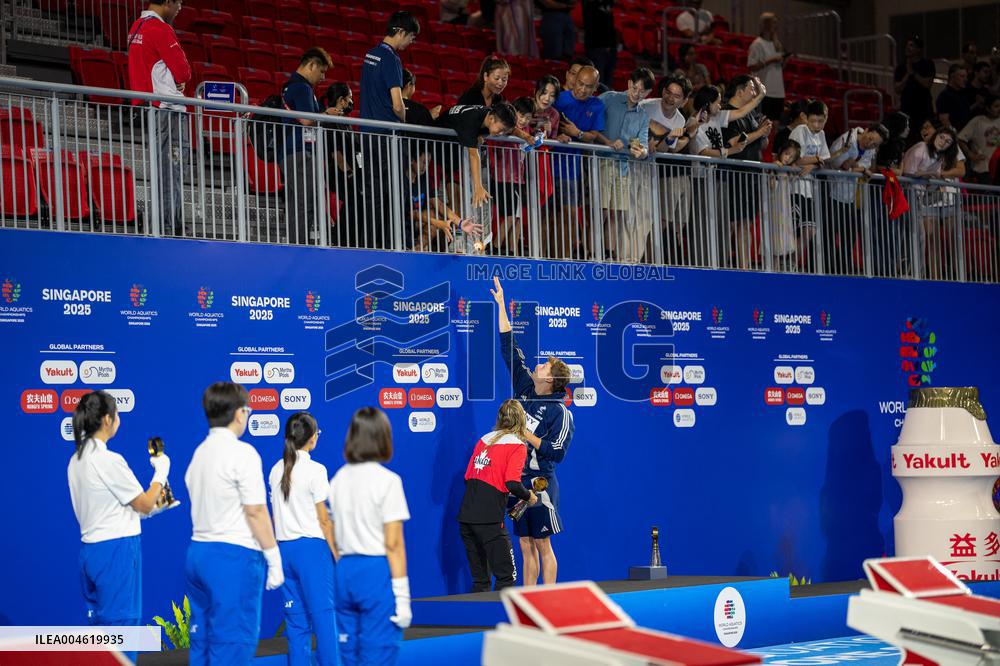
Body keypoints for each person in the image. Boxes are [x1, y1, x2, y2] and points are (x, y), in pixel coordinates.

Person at [68, 390, 172, 665]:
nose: (119, 419)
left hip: (92, 554)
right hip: (117, 555)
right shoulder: (108, 460)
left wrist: (158, 504)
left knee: (102, 640)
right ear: (106, 419)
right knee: (122, 634)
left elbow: (119, 509)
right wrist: (161, 471)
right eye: (117, 414)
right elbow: (145, 504)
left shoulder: (76, 460)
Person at [185, 382, 284, 665]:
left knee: (202, 644)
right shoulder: (243, 453)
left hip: (198, 556)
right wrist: (274, 557)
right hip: (232, 558)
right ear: (239, 413)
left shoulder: (199, 454)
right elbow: (255, 511)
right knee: (232, 647)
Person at [491, 277, 575, 586]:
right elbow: (508, 348)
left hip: (541, 486)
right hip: (517, 484)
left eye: (545, 368)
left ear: (552, 381)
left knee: (542, 545)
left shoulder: (560, 412)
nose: (539, 366)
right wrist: (501, 304)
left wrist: (524, 432)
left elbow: (557, 452)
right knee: (524, 544)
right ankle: (529, 600)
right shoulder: (526, 387)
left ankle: (548, 601)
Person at [329, 407, 411, 666]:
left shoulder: (338, 479)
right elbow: (394, 544)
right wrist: (403, 597)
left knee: (349, 654)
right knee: (378, 655)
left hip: (344, 571)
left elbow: (331, 529)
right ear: (383, 437)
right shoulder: (388, 481)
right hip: (374, 572)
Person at [268, 412, 339, 666]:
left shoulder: (276, 470)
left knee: (296, 623)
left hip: (284, 552)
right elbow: (323, 520)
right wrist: (338, 556)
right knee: (323, 618)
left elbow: (275, 518)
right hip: (312, 552)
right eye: (317, 432)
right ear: (311, 439)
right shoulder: (316, 470)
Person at [458, 399, 537, 592]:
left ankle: (478, 621)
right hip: (490, 519)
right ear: (522, 421)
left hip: (466, 516)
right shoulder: (518, 446)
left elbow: (468, 477)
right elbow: (512, 482)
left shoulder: (484, 439)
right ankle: (501, 620)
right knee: (506, 577)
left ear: (500, 418)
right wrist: (529, 497)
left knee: (480, 581)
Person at [126, 0, 190, 236]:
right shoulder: (160, 29)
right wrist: (178, 79)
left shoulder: (137, 27)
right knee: (171, 169)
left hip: (150, 107)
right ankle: (170, 226)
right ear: (167, 2)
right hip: (167, 110)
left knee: (165, 168)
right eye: (179, 2)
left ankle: (170, 223)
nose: (180, 8)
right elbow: (184, 71)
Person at [360, 11, 420, 250]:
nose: (411, 43)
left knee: (375, 195)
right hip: (387, 137)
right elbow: (397, 103)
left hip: (368, 135)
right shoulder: (392, 59)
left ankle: (373, 245)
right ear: (401, 32)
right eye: (411, 38)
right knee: (398, 194)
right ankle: (400, 246)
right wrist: (404, 120)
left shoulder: (369, 55)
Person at [642, 74, 702, 265]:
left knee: (658, 222)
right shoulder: (645, 107)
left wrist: (667, 140)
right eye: (668, 92)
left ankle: (655, 263)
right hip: (634, 167)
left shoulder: (679, 120)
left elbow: (663, 151)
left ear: (684, 100)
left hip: (652, 172)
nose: (670, 97)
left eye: (676, 95)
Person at [553, 65, 610, 259]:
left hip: (572, 169)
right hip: (546, 164)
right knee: (546, 215)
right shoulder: (559, 98)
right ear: (574, 80)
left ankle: (566, 258)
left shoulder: (597, 105)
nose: (582, 89)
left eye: (588, 86)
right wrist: (558, 134)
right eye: (580, 84)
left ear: (595, 88)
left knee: (569, 216)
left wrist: (576, 133)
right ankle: (546, 256)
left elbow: (593, 136)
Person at [598, 67, 654, 263]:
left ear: (648, 94)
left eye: (642, 91)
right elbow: (591, 123)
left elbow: (644, 146)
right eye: (635, 87)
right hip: (600, 162)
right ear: (629, 82)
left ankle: (608, 254)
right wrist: (606, 141)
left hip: (623, 168)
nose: (637, 93)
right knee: (600, 212)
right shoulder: (609, 98)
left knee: (616, 213)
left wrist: (642, 152)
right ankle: (591, 253)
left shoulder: (643, 116)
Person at [282, 47, 335, 246]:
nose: (322, 77)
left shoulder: (291, 86)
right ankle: (301, 246)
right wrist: (327, 114)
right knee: (306, 202)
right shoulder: (302, 88)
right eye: (321, 71)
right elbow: (306, 120)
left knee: (299, 202)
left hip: (291, 152)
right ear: (311, 65)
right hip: (300, 151)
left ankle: (297, 244)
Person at [720, 75, 774, 269]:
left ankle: (744, 268)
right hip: (733, 176)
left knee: (747, 223)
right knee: (731, 224)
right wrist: (758, 133)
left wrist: (763, 134)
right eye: (752, 89)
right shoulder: (727, 112)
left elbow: (760, 143)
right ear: (740, 91)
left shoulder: (750, 115)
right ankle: (724, 266)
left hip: (751, 177)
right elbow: (735, 143)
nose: (754, 93)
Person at [902, 126, 966, 280]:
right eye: (942, 137)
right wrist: (928, 175)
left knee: (925, 238)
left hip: (924, 198)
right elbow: (909, 173)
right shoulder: (921, 148)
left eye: (948, 141)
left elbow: (930, 178)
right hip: (910, 198)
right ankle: (919, 275)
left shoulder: (939, 156)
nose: (944, 142)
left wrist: (929, 175)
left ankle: (955, 279)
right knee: (922, 238)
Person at [825, 123, 888, 276]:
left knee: (850, 234)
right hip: (831, 191)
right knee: (829, 233)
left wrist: (857, 167)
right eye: (871, 138)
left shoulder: (870, 150)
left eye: (875, 143)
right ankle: (827, 269)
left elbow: (866, 168)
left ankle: (842, 270)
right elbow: (841, 164)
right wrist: (859, 168)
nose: (871, 144)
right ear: (866, 130)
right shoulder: (847, 139)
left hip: (850, 197)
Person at [438, 102, 517, 212]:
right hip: (435, 146)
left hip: (451, 151)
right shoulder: (471, 120)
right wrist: (478, 187)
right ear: (491, 119)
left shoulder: (488, 115)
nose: (501, 133)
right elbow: (474, 155)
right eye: (501, 129)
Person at [788, 99, 831, 272]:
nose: (817, 125)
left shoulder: (821, 135)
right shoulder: (800, 130)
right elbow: (794, 158)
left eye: (821, 121)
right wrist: (816, 160)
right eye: (813, 120)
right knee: (795, 231)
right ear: (806, 118)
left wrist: (814, 164)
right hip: (794, 188)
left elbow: (826, 158)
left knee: (810, 231)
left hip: (809, 191)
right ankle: (786, 263)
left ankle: (791, 262)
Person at [490, 97, 536, 254]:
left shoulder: (527, 131)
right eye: (520, 115)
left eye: (528, 118)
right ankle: (495, 248)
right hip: (504, 178)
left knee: (517, 218)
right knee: (510, 217)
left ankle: (513, 251)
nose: (523, 120)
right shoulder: (507, 127)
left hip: (518, 179)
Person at [323, 82, 362, 247]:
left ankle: (352, 239)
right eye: (349, 98)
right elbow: (336, 154)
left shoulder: (345, 122)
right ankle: (341, 238)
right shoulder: (330, 122)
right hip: (340, 174)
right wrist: (349, 173)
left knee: (358, 201)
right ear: (341, 100)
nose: (351, 102)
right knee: (355, 200)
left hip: (353, 171)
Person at [747, 12, 788, 121]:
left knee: (775, 123)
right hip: (764, 90)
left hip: (778, 91)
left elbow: (780, 68)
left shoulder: (777, 44)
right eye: (773, 23)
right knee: (763, 123)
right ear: (766, 24)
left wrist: (784, 61)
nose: (776, 26)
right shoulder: (757, 44)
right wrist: (770, 60)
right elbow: (751, 66)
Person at [894, 37, 935, 144]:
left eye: (911, 45)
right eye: (907, 45)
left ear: (919, 49)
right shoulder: (901, 67)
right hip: (907, 110)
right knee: (907, 141)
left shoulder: (927, 64)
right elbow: (897, 89)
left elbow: (927, 84)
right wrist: (907, 74)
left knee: (927, 139)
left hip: (924, 109)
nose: (908, 47)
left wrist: (913, 73)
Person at [769, 139, 801, 271]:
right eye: (787, 154)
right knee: (775, 235)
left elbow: (793, 183)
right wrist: (774, 171)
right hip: (774, 208)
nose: (788, 158)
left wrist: (793, 172)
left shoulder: (788, 170)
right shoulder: (774, 166)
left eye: (792, 156)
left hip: (785, 209)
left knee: (783, 236)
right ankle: (773, 267)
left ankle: (779, 267)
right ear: (781, 152)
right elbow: (771, 186)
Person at [958, 95, 1000, 184]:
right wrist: (970, 155)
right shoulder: (978, 121)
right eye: (996, 106)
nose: (999, 109)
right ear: (988, 108)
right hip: (983, 169)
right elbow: (960, 139)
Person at [582, 0, 617, 90]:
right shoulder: (591, 5)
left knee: (608, 84)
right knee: (598, 83)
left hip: (610, 48)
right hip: (596, 48)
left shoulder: (607, 5)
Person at [936, 64, 971, 132]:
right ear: (952, 77)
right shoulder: (945, 96)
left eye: (966, 76)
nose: (965, 79)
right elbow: (944, 120)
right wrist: (956, 136)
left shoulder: (963, 95)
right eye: (962, 76)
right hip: (954, 137)